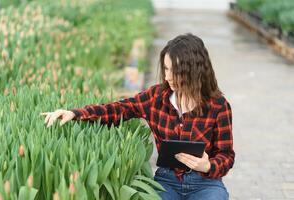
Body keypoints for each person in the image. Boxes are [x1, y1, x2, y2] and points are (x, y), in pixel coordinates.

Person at [40, 33, 235, 200]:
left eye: (175, 71)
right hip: (167, 181)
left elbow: (226, 155)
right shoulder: (157, 97)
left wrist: (208, 165)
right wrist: (75, 113)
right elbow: (118, 109)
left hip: (205, 183)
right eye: (166, 69)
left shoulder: (218, 106)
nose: (167, 77)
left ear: (195, 71)